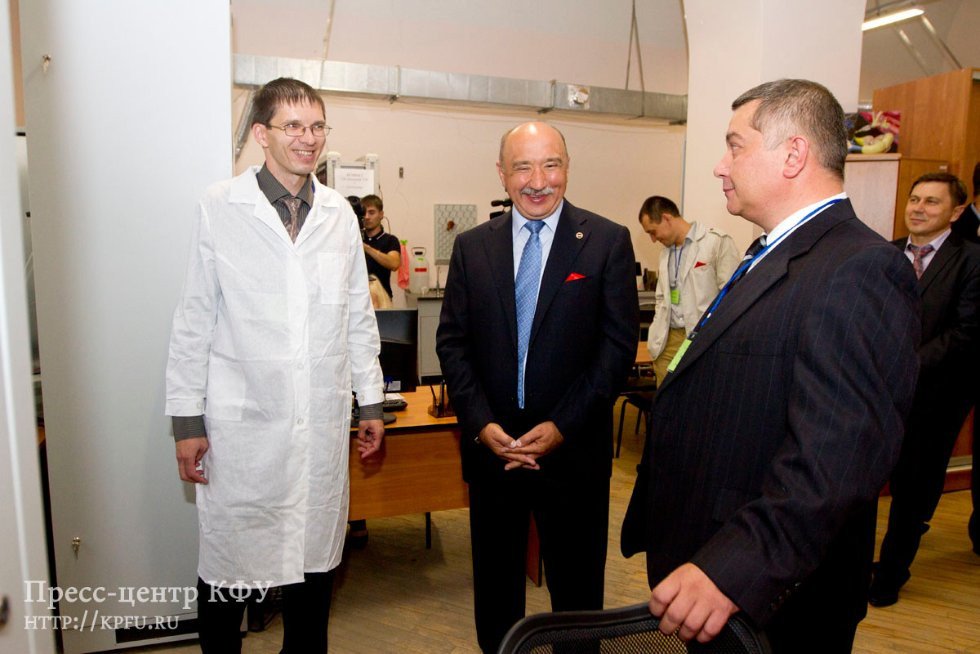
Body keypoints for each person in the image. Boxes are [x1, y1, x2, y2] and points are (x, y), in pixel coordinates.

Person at [620, 79, 920, 652]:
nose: (720, 166)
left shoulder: (859, 269)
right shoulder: (774, 251)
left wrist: (734, 567)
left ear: (793, 154)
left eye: (735, 146)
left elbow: (838, 460)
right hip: (713, 555)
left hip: (774, 596)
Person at [165, 77, 385, 653]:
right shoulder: (220, 205)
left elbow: (357, 316)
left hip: (318, 427)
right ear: (262, 134)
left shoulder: (339, 215)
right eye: (293, 126)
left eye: (317, 126)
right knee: (228, 582)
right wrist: (186, 421)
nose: (308, 139)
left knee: (313, 583)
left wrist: (371, 402)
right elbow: (194, 318)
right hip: (243, 432)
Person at [437, 121, 638, 653]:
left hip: (573, 454)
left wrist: (562, 426)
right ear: (502, 174)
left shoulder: (607, 241)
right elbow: (452, 344)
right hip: (494, 454)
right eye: (523, 167)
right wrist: (481, 424)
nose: (538, 180)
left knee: (577, 598)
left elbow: (615, 352)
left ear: (567, 168)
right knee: (496, 596)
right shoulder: (472, 247)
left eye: (551, 165)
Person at [868, 172, 980, 607]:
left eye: (932, 202)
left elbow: (966, 332)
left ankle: (891, 575)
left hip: (935, 399)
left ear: (956, 211)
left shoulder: (971, 260)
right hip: (877, 395)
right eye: (915, 198)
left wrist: (905, 365)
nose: (918, 208)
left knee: (913, 492)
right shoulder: (884, 253)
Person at [638, 196, 738, 385]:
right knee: (666, 397)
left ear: (666, 218)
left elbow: (733, 297)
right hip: (667, 340)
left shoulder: (715, 242)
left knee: (697, 395)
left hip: (701, 338)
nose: (653, 239)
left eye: (653, 232)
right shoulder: (665, 253)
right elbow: (661, 298)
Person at [361, 193, 401, 299]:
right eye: (364, 213)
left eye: (371, 212)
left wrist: (367, 248)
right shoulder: (355, 239)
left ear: (381, 214)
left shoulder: (390, 240)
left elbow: (394, 264)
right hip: (360, 300)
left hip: (383, 300)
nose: (367, 217)